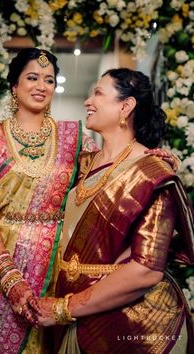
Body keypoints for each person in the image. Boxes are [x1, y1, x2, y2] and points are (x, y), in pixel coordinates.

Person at [36, 68, 194, 354]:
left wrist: (63, 308)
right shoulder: (84, 165)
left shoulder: (152, 174)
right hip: (75, 313)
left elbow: (145, 272)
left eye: (98, 93)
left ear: (125, 106)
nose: (88, 101)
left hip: (134, 325)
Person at [0, 47, 99, 354]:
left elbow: (109, 174)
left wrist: (145, 159)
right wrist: (10, 278)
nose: (42, 86)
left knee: (59, 342)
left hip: (63, 260)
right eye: (32, 77)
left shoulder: (75, 136)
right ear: (14, 86)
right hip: (8, 260)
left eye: (49, 80)